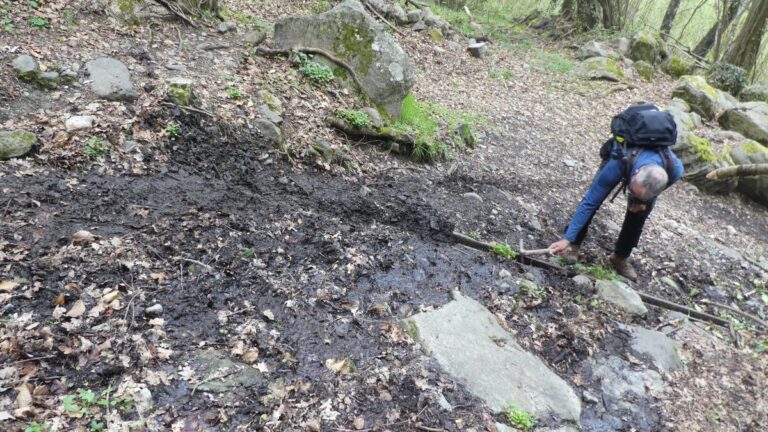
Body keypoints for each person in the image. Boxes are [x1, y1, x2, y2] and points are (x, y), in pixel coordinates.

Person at [548, 106, 684, 281]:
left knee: (639, 214)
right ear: (633, 175)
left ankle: (620, 256)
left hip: (649, 177)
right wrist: (567, 239)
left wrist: (641, 201)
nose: (632, 195)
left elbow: (656, 188)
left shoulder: (674, 169)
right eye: (632, 190)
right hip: (624, 156)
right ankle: (573, 244)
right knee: (595, 198)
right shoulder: (619, 162)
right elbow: (590, 201)